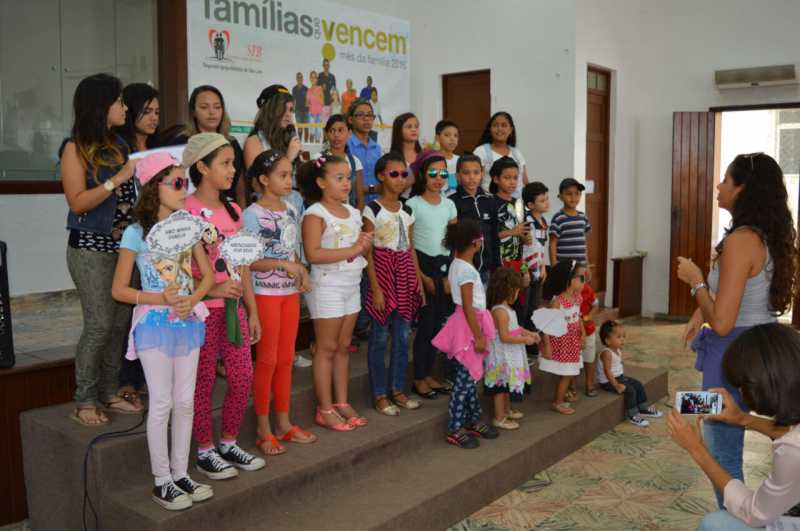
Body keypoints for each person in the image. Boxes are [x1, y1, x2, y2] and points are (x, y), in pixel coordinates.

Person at [676, 152, 799, 508]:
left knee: (722, 450)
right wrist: (700, 310)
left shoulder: (741, 240)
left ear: (743, 188)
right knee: (714, 420)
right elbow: (740, 293)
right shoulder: (765, 235)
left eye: (725, 180)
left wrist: (695, 282)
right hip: (761, 348)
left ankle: (734, 520)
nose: (718, 186)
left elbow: (723, 322)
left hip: (731, 354)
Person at [111, 153, 215, 510]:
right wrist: (160, 298)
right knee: (162, 402)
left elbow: (207, 276)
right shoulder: (136, 233)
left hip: (187, 323)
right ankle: (161, 481)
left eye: (186, 182)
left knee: (185, 402)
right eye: (178, 183)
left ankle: (180, 473)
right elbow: (119, 289)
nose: (185, 189)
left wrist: (191, 299)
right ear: (155, 186)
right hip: (153, 325)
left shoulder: (188, 227)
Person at [61, 73, 143, 426]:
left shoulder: (120, 144)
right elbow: (78, 202)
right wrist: (118, 178)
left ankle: (110, 392)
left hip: (126, 249)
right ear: (100, 105)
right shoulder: (74, 147)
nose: (125, 108)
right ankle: (84, 400)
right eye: (119, 101)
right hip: (90, 249)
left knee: (120, 323)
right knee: (99, 324)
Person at [183, 133, 266, 479]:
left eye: (234, 163)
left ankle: (229, 442)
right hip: (201, 313)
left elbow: (242, 266)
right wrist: (213, 289)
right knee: (202, 382)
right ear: (202, 167)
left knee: (243, 376)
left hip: (234, 311)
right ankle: (205, 450)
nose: (233, 170)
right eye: (226, 163)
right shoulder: (185, 211)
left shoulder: (234, 211)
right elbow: (176, 271)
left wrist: (253, 309)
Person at [668, 323, 800, 530]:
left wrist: (696, 449)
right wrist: (742, 419)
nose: (739, 391)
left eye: (742, 385)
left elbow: (754, 512)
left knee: (714, 523)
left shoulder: (792, 451)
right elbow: (792, 433)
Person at [244, 149, 317, 456]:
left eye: (291, 175)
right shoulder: (252, 214)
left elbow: (291, 250)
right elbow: (248, 262)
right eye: (282, 175)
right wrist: (284, 265)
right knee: (268, 360)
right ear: (264, 179)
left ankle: (283, 423)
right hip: (265, 294)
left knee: (286, 359)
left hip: (288, 295)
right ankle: (263, 428)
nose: (289, 181)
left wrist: (300, 270)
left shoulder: (290, 209)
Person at [299, 155, 372, 431]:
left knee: (343, 347)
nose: (346, 183)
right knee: (326, 348)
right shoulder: (315, 214)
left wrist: (364, 244)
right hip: (327, 286)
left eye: (348, 177)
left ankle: (341, 401)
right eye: (338, 178)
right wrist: (354, 249)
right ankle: (325, 408)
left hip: (351, 285)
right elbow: (313, 254)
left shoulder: (353, 212)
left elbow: (357, 250)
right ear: (320, 182)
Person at [363, 152, 423, 416]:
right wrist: (376, 288)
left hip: (405, 273)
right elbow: (368, 252)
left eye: (404, 174)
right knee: (380, 336)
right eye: (394, 174)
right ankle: (379, 394)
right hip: (382, 272)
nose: (400, 179)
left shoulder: (407, 210)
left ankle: (397, 389)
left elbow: (410, 248)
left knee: (402, 335)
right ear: (381, 176)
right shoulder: (372, 209)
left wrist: (417, 281)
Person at [114, 82, 161, 410]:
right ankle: (125, 381)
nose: (153, 117)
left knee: (154, 311)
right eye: (146, 111)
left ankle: (146, 377)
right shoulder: (119, 150)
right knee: (128, 311)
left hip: (159, 241)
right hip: (127, 237)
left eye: (157, 111)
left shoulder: (159, 149)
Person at [432, 219, 499, 449]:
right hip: (470, 328)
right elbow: (469, 306)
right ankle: (455, 428)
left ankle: (473, 419)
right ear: (475, 243)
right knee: (463, 382)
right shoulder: (467, 271)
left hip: (465, 322)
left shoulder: (456, 264)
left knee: (469, 378)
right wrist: (479, 336)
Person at [406, 150, 458, 400]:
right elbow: (408, 245)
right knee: (425, 327)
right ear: (422, 175)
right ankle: (418, 377)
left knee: (438, 326)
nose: (438, 178)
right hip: (423, 266)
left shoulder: (449, 205)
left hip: (444, 267)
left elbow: (454, 243)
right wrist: (421, 277)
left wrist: (451, 274)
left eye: (443, 173)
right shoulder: (413, 204)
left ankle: (428, 374)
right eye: (433, 173)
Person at [169, 85, 247, 208]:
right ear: (193, 111)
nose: (212, 112)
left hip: (228, 209)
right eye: (204, 107)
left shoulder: (231, 142)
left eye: (217, 107)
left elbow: (240, 187)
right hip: (190, 209)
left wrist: (242, 211)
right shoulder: (181, 142)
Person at [484, 268, 538, 430]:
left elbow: (516, 328)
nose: (518, 293)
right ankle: (499, 417)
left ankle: (506, 410)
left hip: (509, 355)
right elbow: (504, 337)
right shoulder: (500, 311)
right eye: (516, 290)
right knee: (501, 388)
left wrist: (530, 333)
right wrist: (525, 340)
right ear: (507, 289)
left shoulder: (507, 309)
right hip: (501, 357)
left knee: (507, 385)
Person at [244, 84, 304, 216]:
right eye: (283, 109)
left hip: (294, 207)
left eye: (291, 110)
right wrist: (288, 158)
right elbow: (256, 184)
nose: (288, 115)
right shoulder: (255, 141)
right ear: (271, 110)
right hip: (268, 214)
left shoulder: (289, 140)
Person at [538, 260, 586, 415]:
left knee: (568, 372)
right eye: (581, 278)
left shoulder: (577, 298)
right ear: (569, 280)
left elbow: (578, 317)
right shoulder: (558, 302)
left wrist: (583, 333)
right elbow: (546, 325)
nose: (584, 281)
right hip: (561, 343)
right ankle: (557, 402)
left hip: (572, 342)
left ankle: (562, 394)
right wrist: (547, 345)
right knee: (567, 373)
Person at [596, 320, 662, 426]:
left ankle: (643, 409)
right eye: (618, 337)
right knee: (630, 390)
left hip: (620, 377)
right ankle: (633, 415)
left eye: (623, 336)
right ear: (608, 341)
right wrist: (616, 385)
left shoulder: (617, 350)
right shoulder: (606, 353)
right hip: (608, 382)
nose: (622, 339)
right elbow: (607, 371)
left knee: (638, 385)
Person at [448, 153, 500, 284]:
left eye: (476, 172)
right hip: (465, 269)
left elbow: (495, 236)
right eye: (466, 173)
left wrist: (497, 266)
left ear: (482, 174)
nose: (472, 177)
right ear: (457, 176)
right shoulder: (452, 202)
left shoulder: (490, 200)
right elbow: (452, 240)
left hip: (487, 269)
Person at [521, 182, 550, 346]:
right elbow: (522, 250)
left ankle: (532, 343)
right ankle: (523, 342)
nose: (546, 203)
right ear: (530, 205)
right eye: (542, 200)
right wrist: (524, 270)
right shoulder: (526, 222)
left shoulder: (544, 221)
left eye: (547, 199)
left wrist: (544, 266)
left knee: (535, 307)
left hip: (539, 270)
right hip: (526, 271)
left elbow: (541, 247)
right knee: (523, 308)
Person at [474, 112, 529, 197]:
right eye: (495, 125)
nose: (499, 129)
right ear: (490, 129)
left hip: (517, 201)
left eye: (504, 125)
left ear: (511, 130)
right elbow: (475, 182)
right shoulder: (481, 151)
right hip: (490, 200)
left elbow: (525, 181)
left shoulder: (517, 153)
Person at [316, 114, 363, 209]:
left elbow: (360, 198)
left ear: (349, 133)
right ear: (326, 134)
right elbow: (312, 191)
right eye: (332, 131)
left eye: (341, 130)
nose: (336, 135)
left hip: (348, 214)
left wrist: (357, 216)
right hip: (324, 212)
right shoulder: (319, 158)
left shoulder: (355, 161)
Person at [346, 99, 382, 206]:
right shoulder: (345, 146)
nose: (366, 119)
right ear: (351, 120)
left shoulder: (377, 148)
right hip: (352, 205)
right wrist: (372, 189)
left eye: (370, 115)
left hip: (376, 205)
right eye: (361, 115)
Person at [549, 178, 591, 266]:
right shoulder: (558, 218)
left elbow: (583, 243)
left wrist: (587, 264)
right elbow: (552, 243)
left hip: (581, 266)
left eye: (577, 193)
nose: (573, 197)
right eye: (569, 194)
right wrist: (554, 265)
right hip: (564, 267)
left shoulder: (583, 217)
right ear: (560, 197)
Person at [116, 83, 160, 153]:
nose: (154, 118)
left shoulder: (160, 147)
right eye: (146, 112)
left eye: (157, 112)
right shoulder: (118, 148)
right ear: (130, 111)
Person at [390, 112, 422, 196]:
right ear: (399, 131)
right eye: (409, 127)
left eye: (416, 126)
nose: (414, 129)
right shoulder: (392, 158)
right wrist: (414, 176)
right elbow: (392, 189)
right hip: (402, 200)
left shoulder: (423, 155)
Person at [580, 272, 599, 397]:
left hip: (588, 330)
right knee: (573, 360)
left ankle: (589, 384)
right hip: (572, 332)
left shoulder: (588, 290)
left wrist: (588, 317)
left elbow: (595, 305)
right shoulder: (567, 292)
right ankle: (571, 386)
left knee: (589, 358)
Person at [435, 120, 460, 195]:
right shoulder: (433, 160)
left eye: (455, 135)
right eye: (447, 135)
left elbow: (455, 185)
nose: (452, 139)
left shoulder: (459, 160)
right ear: (437, 138)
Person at [291, 72, 309, 143]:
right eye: (298, 77)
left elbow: (308, 100)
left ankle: (307, 143)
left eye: (301, 77)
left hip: (306, 111)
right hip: (298, 111)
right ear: (296, 79)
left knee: (307, 128)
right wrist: (293, 109)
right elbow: (293, 100)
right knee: (300, 128)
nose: (300, 79)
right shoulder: (294, 89)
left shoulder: (306, 88)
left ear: (302, 78)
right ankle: (300, 143)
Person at [307, 71, 323, 144]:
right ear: (310, 78)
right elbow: (307, 103)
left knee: (318, 134)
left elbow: (322, 102)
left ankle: (317, 148)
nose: (313, 79)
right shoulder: (308, 90)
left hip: (319, 114)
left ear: (317, 79)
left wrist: (316, 95)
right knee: (311, 133)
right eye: (312, 77)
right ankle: (310, 149)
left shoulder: (320, 88)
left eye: (315, 77)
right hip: (311, 114)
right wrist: (309, 105)